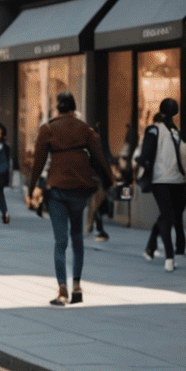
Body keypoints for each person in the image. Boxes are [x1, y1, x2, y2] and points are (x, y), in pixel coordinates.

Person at [27, 91, 114, 305]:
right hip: (80, 190)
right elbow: (100, 157)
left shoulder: (48, 129)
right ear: (74, 109)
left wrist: (31, 187)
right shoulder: (85, 129)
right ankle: (77, 285)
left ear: (57, 108)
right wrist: (110, 180)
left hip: (57, 190)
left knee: (60, 241)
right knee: (77, 238)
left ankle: (62, 289)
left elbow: (38, 161)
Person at [137, 98, 186, 269]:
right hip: (164, 180)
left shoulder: (170, 131)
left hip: (171, 180)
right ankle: (169, 257)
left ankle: (151, 247)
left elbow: (145, 156)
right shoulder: (163, 131)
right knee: (168, 216)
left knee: (167, 215)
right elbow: (145, 155)